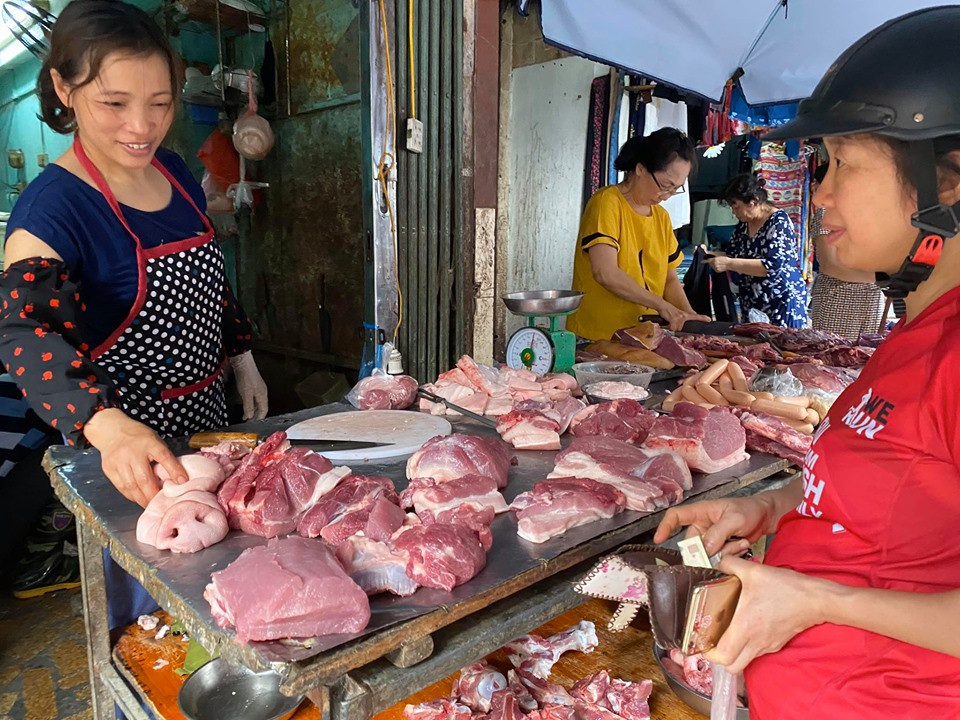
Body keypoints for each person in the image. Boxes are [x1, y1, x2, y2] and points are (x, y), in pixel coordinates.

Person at [654, 7, 960, 717]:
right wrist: (767, 507)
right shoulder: (916, 337)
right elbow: (893, 500)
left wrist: (816, 599)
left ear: (947, 181)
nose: (819, 193)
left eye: (845, 165)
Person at [0, 0, 268, 614]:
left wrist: (242, 355)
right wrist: (104, 424)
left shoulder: (172, 170)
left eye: (160, 102)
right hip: (129, 451)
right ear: (65, 89)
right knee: (154, 612)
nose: (141, 127)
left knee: (230, 595)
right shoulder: (51, 212)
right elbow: (25, 335)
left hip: (208, 421)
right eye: (114, 103)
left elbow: (210, 277)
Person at [567, 128, 709, 339]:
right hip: (599, 336)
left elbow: (669, 279)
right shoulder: (607, 203)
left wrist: (688, 316)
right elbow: (605, 272)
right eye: (665, 185)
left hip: (643, 337)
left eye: (675, 189)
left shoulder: (661, 217)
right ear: (641, 168)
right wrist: (660, 305)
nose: (667, 196)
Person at [707, 173, 809, 327]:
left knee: (784, 347)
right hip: (753, 300)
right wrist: (708, 254)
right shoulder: (744, 224)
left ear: (753, 202)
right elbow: (734, 254)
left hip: (781, 299)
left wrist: (728, 264)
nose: (734, 212)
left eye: (737, 207)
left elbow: (772, 267)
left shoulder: (778, 222)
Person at [808, 164, 886, 339]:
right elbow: (829, 265)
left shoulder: (865, 211)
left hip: (869, 298)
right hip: (838, 299)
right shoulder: (826, 212)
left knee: (865, 359)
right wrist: (881, 277)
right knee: (837, 360)